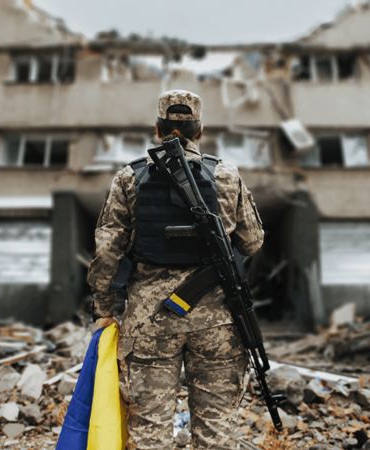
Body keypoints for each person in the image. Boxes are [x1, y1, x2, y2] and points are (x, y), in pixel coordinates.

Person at [87, 89, 265, 449]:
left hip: (149, 323)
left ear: (157, 129)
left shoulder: (128, 178)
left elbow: (107, 252)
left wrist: (104, 310)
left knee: (150, 431)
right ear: (199, 131)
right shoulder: (227, 175)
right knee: (217, 431)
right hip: (218, 322)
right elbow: (252, 242)